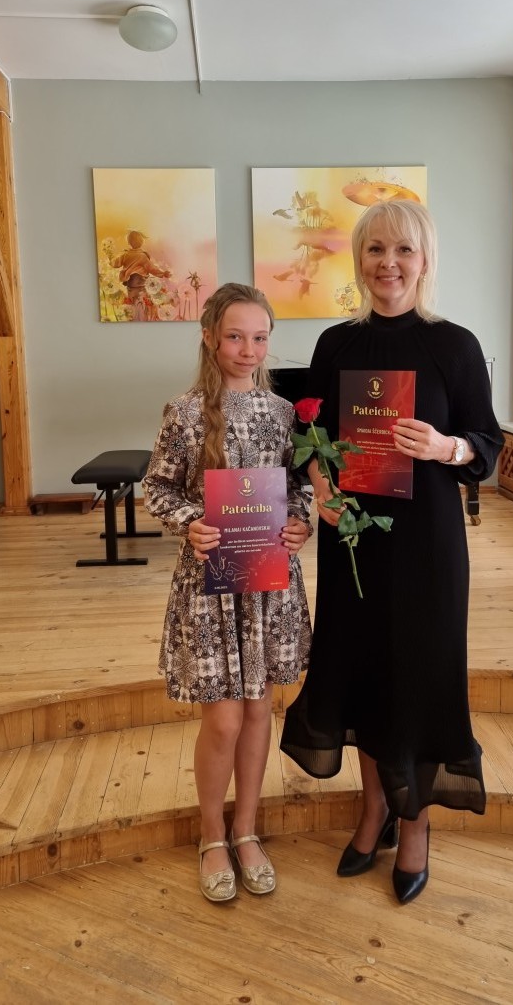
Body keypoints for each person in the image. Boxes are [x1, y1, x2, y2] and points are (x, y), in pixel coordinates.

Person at [280, 200, 503, 905]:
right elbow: (309, 439)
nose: (388, 263)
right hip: (354, 541)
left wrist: (445, 446)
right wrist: (320, 488)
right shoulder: (336, 345)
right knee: (362, 672)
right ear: (359, 260)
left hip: (427, 547)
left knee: (419, 675)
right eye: (375, 249)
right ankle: (373, 806)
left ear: (424, 259)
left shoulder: (454, 345)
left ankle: (414, 825)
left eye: (403, 249)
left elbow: (488, 444)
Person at [144, 283, 313, 904]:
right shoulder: (184, 411)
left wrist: (301, 521)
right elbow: (157, 488)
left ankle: (246, 830)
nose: (248, 349)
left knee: (260, 710)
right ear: (210, 337)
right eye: (236, 336)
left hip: (268, 584)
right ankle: (211, 834)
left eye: (260, 338)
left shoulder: (284, 413)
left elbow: (301, 487)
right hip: (210, 587)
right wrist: (191, 521)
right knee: (223, 718)